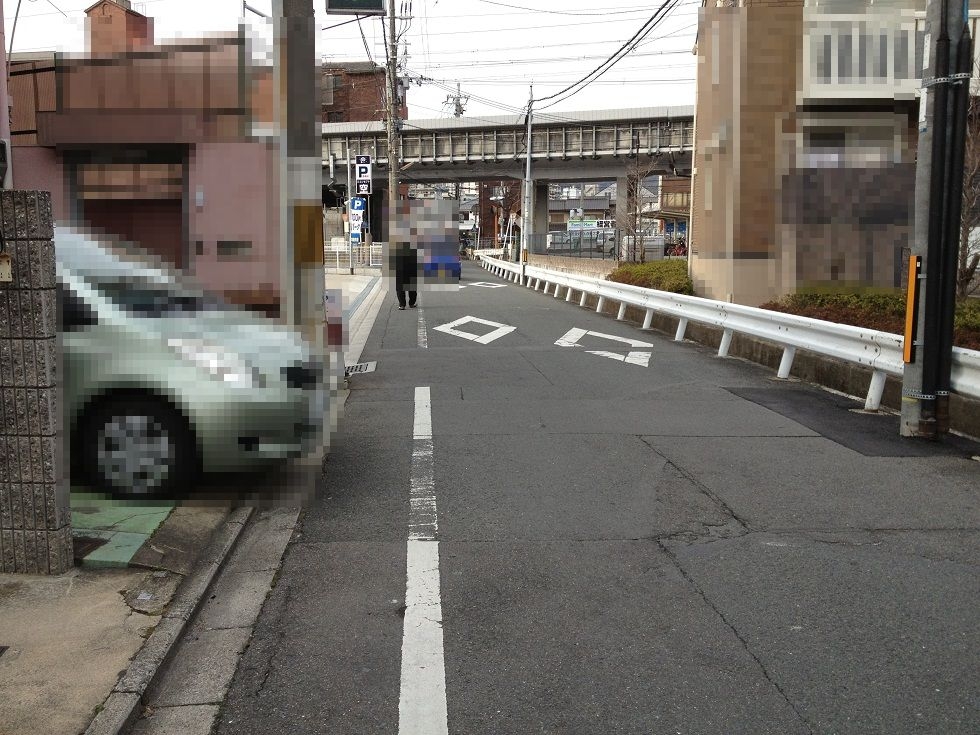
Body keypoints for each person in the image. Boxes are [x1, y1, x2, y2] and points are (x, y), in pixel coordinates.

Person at [392, 240, 419, 309]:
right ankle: (411, 303)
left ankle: (402, 305)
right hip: (411, 268)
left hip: (400, 269)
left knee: (400, 287)